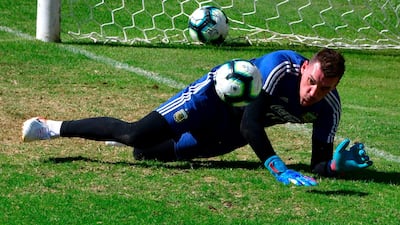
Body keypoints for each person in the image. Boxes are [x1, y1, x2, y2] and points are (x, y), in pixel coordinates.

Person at [22, 48, 373, 186]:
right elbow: (253, 122)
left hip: (235, 130)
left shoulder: (329, 109)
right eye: (311, 82)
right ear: (304, 67)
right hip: (210, 99)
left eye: (325, 88)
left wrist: (331, 168)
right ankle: (50, 127)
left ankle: (142, 141)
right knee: (134, 134)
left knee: (148, 154)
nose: (313, 93)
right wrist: (278, 168)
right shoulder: (280, 69)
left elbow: (316, 165)